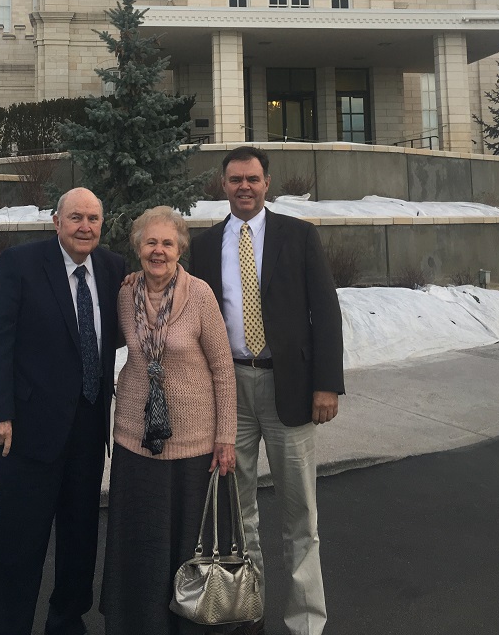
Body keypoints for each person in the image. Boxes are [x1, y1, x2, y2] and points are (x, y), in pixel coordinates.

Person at [189, 146, 344, 635]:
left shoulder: (298, 236)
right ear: (223, 184)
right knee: (239, 511)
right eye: (235, 179)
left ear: (267, 182)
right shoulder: (204, 245)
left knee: (301, 515)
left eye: (252, 179)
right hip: (229, 389)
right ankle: (246, 610)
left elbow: (326, 312)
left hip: (290, 388)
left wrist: (326, 384)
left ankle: (305, 621)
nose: (244, 187)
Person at [0, 187, 126, 635]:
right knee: (20, 544)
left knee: (80, 540)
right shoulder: (21, 263)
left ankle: (66, 622)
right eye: (75, 217)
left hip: (88, 429)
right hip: (25, 431)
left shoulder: (112, 267)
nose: (85, 226)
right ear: (56, 221)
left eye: (93, 218)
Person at [101, 205, 237, 635]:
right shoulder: (125, 294)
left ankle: (189, 625)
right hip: (135, 440)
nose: (158, 251)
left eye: (167, 243)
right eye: (150, 242)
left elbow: (222, 368)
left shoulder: (199, 295)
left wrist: (226, 437)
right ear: (137, 247)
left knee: (185, 541)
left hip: (193, 444)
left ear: (180, 249)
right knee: (138, 539)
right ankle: (137, 622)